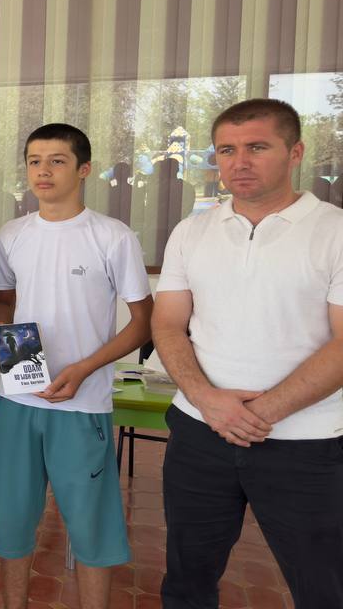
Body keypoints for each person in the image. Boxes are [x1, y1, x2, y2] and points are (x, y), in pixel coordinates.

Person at [152, 99, 343, 608]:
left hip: (305, 441)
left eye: (257, 147)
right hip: (200, 432)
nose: (239, 162)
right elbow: (167, 324)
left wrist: (258, 414)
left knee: (322, 586)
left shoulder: (334, 231)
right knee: (187, 581)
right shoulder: (192, 231)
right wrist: (206, 400)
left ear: (295, 152)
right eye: (226, 150)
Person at [0, 123, 153, 609]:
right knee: (11, 523)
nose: (43, 171)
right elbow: (6, 302)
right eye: (34, 161)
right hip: (15, 399)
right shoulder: (12, 234)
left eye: (57, 160)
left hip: (82, 404)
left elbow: (142, 324)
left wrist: (85, 368)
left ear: (83, 169)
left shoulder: (111, 236)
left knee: (91, 528)